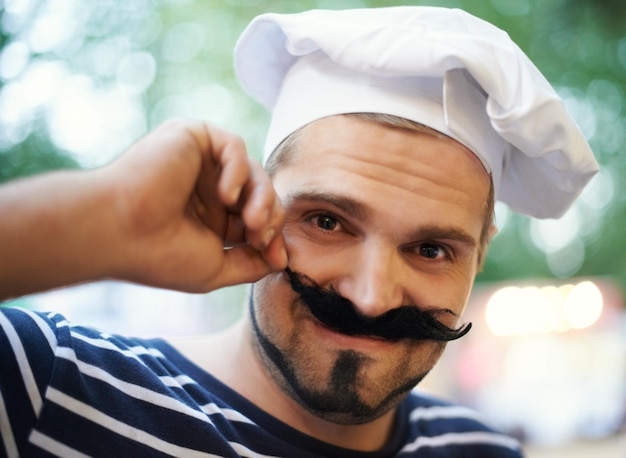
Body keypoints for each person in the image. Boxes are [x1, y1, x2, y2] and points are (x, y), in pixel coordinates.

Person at [0, 6, 598, 458]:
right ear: (251, 199)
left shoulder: (482, 449)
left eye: (431, 249)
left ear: (480, 253)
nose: (370, 296)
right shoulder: (51, 389)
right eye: (327, 221)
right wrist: (113, 222)